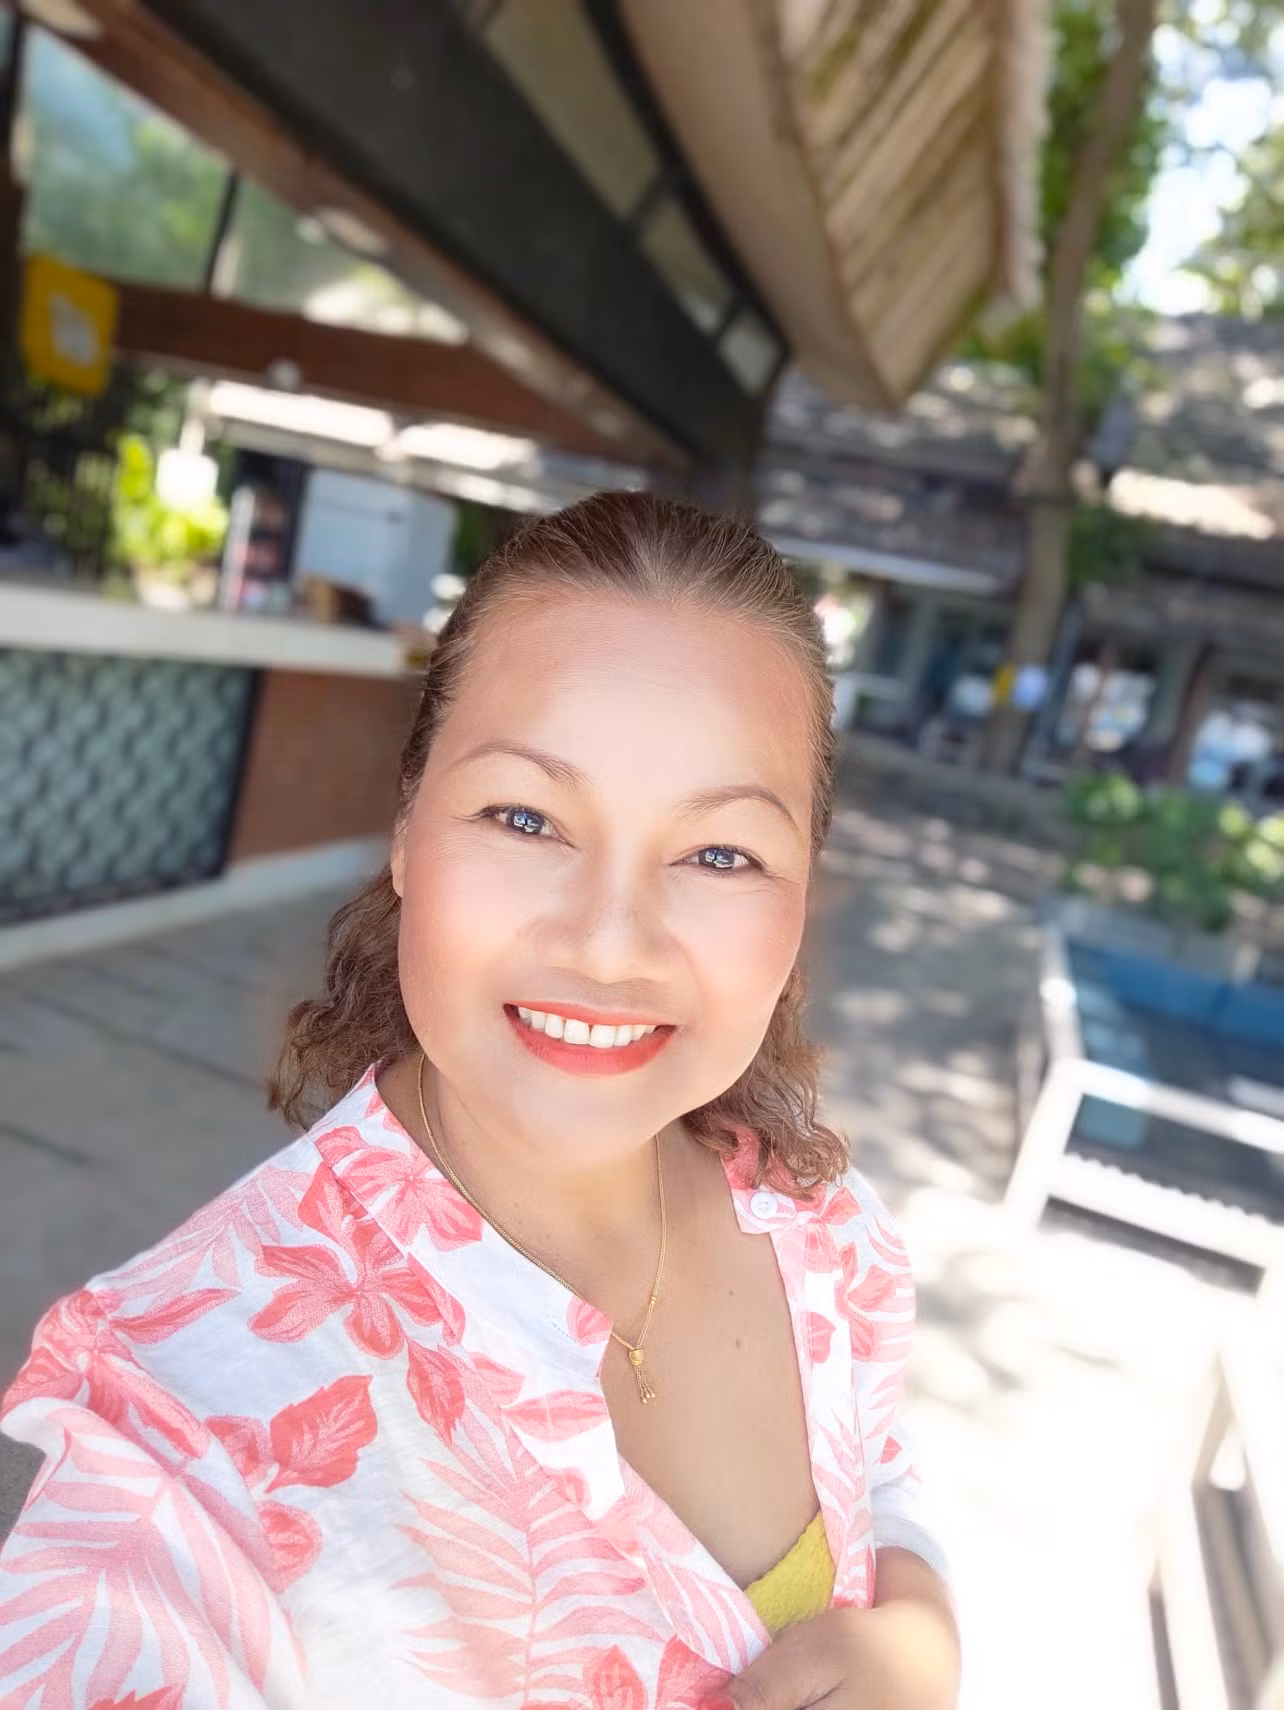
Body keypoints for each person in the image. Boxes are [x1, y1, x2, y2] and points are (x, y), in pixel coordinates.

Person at [0, 494, 959, 1709]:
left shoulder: (819, 1223)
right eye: (526, 817)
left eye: (720, 853)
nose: (609, 944)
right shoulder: (189, 1432)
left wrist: (918, 1622)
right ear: (408, 832)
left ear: (805, 888)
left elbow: (879, 1464)